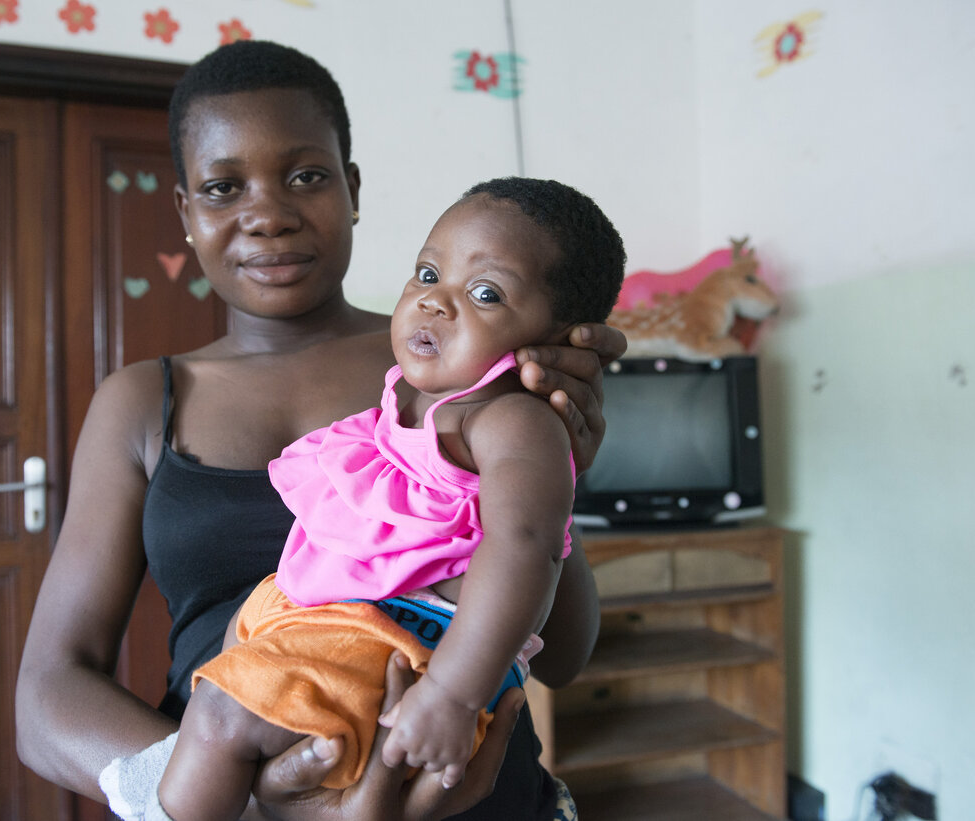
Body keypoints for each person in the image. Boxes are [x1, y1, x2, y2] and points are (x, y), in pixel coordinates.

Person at [15, 40, 628, 821]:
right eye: (222, 186)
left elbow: (564, 657)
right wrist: (252, 800)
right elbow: (46, 696)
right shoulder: (142, 401)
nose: (267, 214)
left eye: (306, 175)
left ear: (353, 188)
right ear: (186, 213)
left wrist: (559, 471)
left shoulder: (460, 374)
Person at [154, 176, 625, 821]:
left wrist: (455, 696)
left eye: (484, 293)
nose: (436, 303)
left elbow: (528, 547)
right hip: (340, 631)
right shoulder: (406, 397)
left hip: (410, 644)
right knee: (208, 731)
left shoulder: (509, 421)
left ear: (559, 338)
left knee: (214, 726)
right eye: (428, 273)